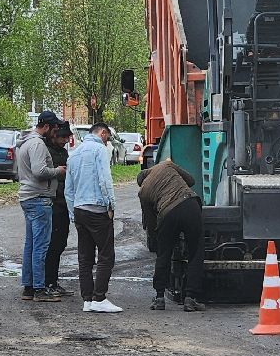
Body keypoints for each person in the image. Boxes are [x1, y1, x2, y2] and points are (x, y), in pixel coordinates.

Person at [136, 158, 205, 311]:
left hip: (168, 213)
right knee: (196, 251)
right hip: (190, 205)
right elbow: (191, 180)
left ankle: (159, 298)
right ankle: (190, 298)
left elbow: (150, 221)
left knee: (163, 254)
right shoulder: (166, 165)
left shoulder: (143, 192)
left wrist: (159, 238)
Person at [66, 122, 120, 313]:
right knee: (106, 255)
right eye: (108, 138)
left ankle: (87, 299)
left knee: (85, 257)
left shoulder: (74, 154)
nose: (108, 142)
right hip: (97, 209)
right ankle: (100, 297)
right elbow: (105, 179)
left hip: (80, 209)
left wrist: (73, 214)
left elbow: (68, 190)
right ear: (103, 133)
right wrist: (110, 205)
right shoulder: (99, 150)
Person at [16, 110, 65, 302]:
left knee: (31, 244)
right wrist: (58, 171)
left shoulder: (26, 142)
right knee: (41, 246)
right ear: (47, 127)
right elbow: (39, 171)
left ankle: (29, 286)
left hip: (29, 197)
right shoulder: (37, 143)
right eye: (55, 128)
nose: (56, 132)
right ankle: (39, 288)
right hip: (39, 198)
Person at [42, 121, 76, 299]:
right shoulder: (47, 151)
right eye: (62, 137)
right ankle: (48, 282)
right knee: (52, 244)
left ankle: (52, 281)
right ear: (54, 135)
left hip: (62, 203)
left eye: (67, 137)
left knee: (60, 243)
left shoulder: (62, 151)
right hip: (53, 202)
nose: (65, 140)